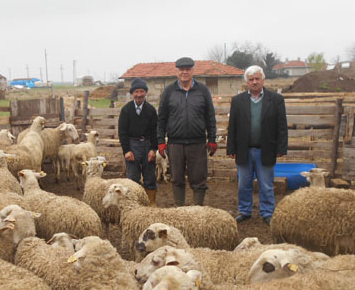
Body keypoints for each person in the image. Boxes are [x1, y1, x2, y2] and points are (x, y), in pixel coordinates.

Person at [226, 65, 288, 225]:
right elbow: (232, 126)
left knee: (266, 184)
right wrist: (231, 148)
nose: (254, 82)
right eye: (251, 79)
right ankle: (244, 211)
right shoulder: (238, 101)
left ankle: (267, 212)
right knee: (243, 184)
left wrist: (281, 148)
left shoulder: (276, 100)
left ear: (263, 80)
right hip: (243, 150)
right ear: (247, 82)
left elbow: (282, 125)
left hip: (266, 149)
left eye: (257, 79)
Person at [157, 57, 217, 206]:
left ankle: (197, 210)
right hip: (175, 143)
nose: (185, 72)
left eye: (188, 69)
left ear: (193, 70)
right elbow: (162, 118)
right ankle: (180, 210)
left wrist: (212, 139)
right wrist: (160, 141)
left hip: (197, 143)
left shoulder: (202, 90)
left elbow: (210, 116)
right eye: (181, 69)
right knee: (177, 178)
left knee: (199, 179)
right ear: (176, 71)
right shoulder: (169, 91)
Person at [118, 78, 158, 206]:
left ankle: (151, 203)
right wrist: (127, 150)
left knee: (150, 176)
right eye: (136, 91)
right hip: (132, 144)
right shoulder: (126, 110)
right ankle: (135, 204)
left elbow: (155, 131)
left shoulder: (151, 111)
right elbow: (122, 132)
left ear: (145, 93)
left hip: (147, 145)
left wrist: (153, 149)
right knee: (133, 178)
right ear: (132, 93)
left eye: (142, 91)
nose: (139, 94)